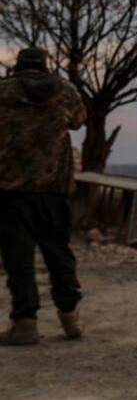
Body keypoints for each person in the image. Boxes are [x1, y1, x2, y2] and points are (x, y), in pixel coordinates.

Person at [0, 47, 88, 346]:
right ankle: (70, 318)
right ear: (45, 66)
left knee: (19, 259)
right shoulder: (64, 90)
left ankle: (25, 323)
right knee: (58, 252)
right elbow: (79, 120)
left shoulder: (3, 91)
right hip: (54, 187)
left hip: (11, 189)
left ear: (17, 67)